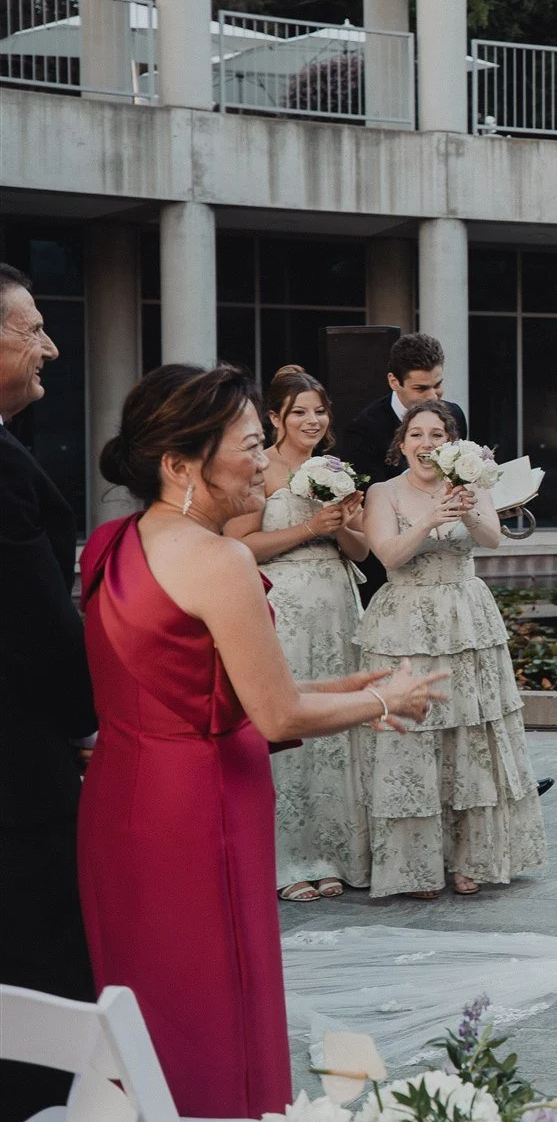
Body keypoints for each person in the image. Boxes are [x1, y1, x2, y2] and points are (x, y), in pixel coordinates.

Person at [78, 364, 440, 1119]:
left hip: (121, 804)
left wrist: (347, 688)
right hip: (202, 809)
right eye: (248, 443)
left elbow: (199, 690)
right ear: (181, 463)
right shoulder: (221, 559)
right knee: (217, 999)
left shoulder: (111, 542)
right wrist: (385, 696)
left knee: (146, 997)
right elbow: (274, 715)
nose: (263, 460)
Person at [358, 399, 546, 899]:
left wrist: (468, 505)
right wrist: (427, 520)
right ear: (401, 444)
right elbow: (388, 555)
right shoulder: (382, 492)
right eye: (416, 435)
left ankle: (471, 860)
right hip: (405, 621)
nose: (426, 444)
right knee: (411, 735)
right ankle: (416, 866)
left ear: (451, 442)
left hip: (466, 616)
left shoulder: (471, 482)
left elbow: (493, 540)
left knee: (471, 736)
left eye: (436, 435)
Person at [0, 263, 97, 1122]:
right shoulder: (3, 467)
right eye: (32, 328)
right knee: (37, 978)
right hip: (16, 779)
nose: (51, 347)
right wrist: (86, 723)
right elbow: (35, 620)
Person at [226, 366, 374, 903]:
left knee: (338, 729)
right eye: (299, 412)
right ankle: (289, 860)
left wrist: (346, 524)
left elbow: (360, 552)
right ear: (274, 418)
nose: (312, 420)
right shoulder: (260, 470)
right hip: (285, 607)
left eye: (319, 411)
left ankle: (335, 853)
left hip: (338, 606)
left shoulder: (334, 469)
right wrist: (309, 527)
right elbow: (240, 544)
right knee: (293, 725)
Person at [334, 332, 467, 605]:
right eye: (421, 389)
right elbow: (367, 515)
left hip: (449, 567)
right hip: (391, 574)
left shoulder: (454, 415)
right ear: (394, 381)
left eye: (438, 385)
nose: (433, 397)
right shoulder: (363, 431)